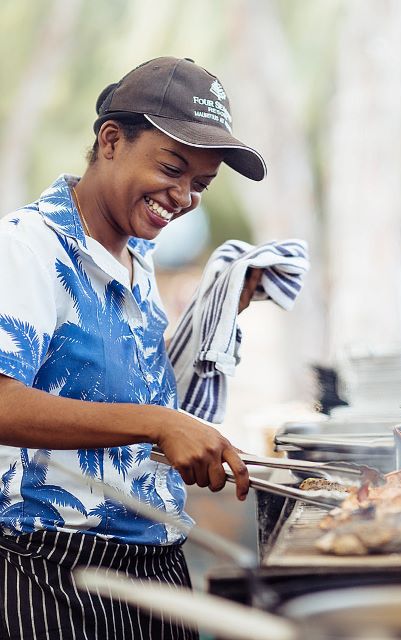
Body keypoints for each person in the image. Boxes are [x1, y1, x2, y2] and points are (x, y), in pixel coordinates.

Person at [0, 57, 267, 639]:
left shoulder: (135, 256)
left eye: (201, 184)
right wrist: (155, 423)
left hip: (157, 558)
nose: (184, 196)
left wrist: (219, 315)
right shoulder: (26, 248)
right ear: (112, 141)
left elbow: (120, 384)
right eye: (172, 168)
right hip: (57, 574)